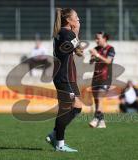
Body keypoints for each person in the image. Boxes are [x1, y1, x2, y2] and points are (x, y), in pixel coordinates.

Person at [45, 8, 84, 152]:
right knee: (68, 109)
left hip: (68, 77)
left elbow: (77, 51)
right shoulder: (65, 33)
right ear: (69, 20)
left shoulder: (65, 33)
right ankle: (59, 142)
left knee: (76, 107)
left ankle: (56, 135)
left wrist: (76, 34)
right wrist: (77, 33)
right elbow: (70, 49)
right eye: (77, 17)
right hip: (64, 77)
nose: (79, 19)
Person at [88, 32, 116, 128]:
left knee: (99, 97)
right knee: (97, 100)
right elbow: (91, 62)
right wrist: (93, 57)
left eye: (98, 38)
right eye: (95, 38)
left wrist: (98, 56)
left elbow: (108, 61)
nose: (96, 40)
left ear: (104, 39)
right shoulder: (96, 49)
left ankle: (96, 118)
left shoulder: (110, 49)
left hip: (106, 77)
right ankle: (102, 121)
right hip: (96, 77)